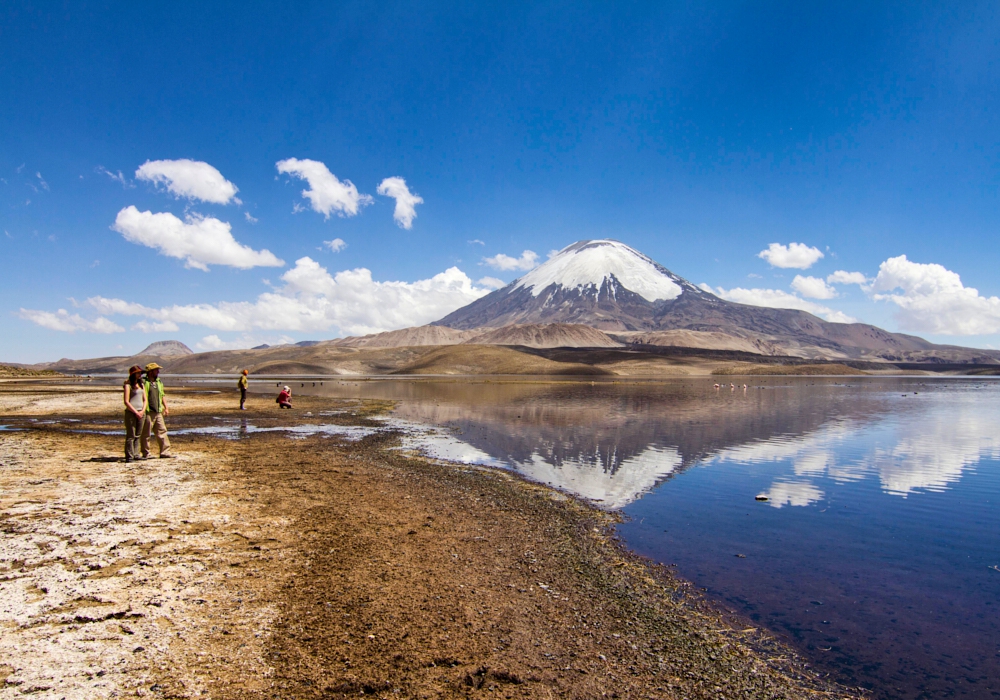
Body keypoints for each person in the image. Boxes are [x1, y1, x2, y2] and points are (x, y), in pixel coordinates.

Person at [141, 362, 172, 458]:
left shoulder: (159, 382)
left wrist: (166, 407)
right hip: (148, 411)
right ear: (150, 372)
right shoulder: (143, 382)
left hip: (158, 411)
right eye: (156, 370)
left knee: (162, 431)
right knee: (146, 433)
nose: (158, 371)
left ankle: (165, 452)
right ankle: (146, 453)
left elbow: (162, 395)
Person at [123, 365, 145, 462]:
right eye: (138, 373)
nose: (140, 375)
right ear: (133, 374)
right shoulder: (128, 386)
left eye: (140, 373)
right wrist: (135, 412)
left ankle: (136, 454)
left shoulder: (142, 385)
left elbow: (145, 400)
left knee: (138, 435)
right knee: (131, 435)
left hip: (141, 412)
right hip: (131, 413)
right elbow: (126, 401)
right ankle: (129, 455)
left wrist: (142, 411)